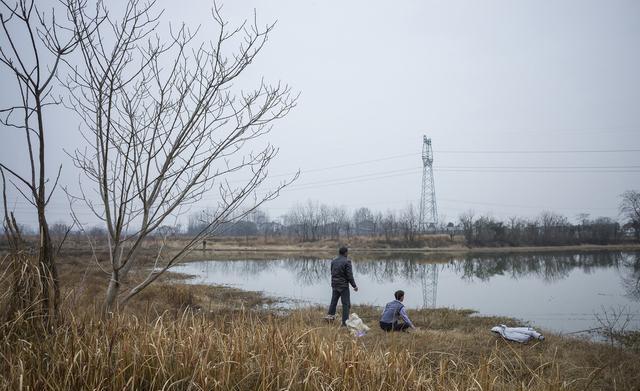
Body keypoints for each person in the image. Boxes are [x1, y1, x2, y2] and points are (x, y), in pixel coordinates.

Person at [325, 246, 358, 326]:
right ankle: (344, 323)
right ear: (345, 253)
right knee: (345, 304)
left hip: (335, 284)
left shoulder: (333, 261)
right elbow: (349, 276)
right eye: (347, 252)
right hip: (343, 286)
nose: (348, 254)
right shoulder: (347, 262)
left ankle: (330, 318)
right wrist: (354, 286)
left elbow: (332, 273)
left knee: (333, 302)